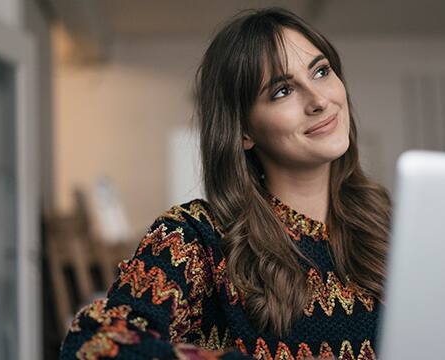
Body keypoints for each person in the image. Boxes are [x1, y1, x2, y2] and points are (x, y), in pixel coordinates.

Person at [60, 7, 391, 360]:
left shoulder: (389, 224)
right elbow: (93, 347)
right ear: (244, 131)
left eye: (321, 72)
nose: (320, 101)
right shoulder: (196, 237)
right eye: (282, 91)